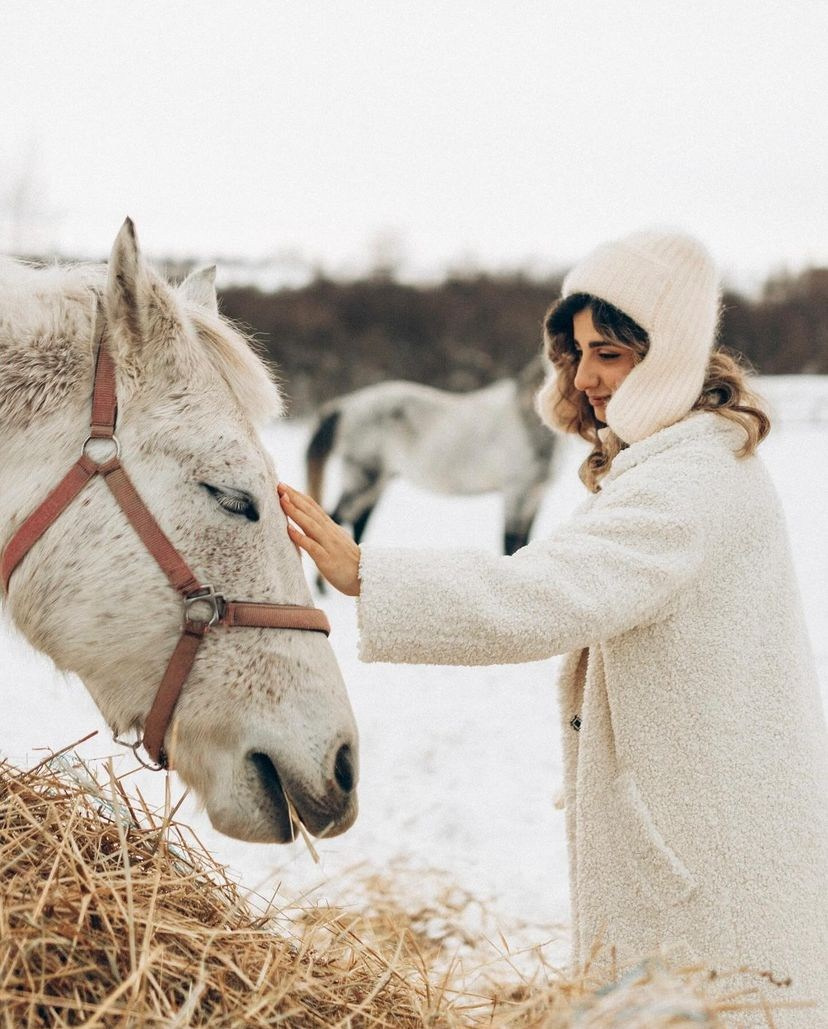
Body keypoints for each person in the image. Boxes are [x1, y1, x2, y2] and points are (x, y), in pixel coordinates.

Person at [278, 229, 828, 1026]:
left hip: (709, 864)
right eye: (575, 353)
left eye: (610, 352)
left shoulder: (688, 483)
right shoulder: (684, 459)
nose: (587, 377)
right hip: (711, 834)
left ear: (667, 353)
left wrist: (368, 575)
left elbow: (545, 591)